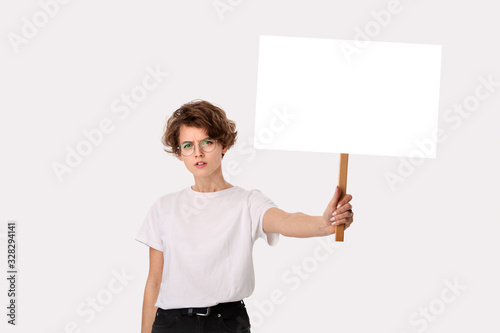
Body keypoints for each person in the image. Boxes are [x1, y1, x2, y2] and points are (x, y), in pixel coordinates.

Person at [135, 100, 354, 333]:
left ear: (224, 145)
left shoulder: (248, 203)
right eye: (187, 145)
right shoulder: (164, 207)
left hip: (225, 322)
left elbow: (287, 221)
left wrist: (324, 223)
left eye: (207, 142)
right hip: (171, 324)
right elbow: (154, 282)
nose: (198, 152)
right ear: (180, 154)